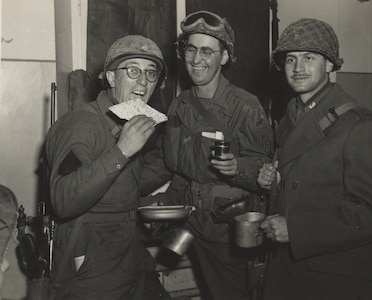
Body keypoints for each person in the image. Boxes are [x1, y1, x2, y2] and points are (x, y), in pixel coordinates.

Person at [141, 10, 274, 300]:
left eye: (207, 51)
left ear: (224, 57)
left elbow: (266, 173)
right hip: (187, 222)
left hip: (224, 230)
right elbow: (167, 161)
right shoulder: (180, 105)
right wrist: (124, 186)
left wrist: (237, 167)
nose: (196, 59)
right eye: (190, 49)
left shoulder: (245, 107)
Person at [257, 18, 372, 299]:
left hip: (332, 280)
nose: (298, 68)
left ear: (330, 65)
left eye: (309, 57)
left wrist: (296, 230)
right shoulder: (290, 119)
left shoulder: (358, 125)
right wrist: (273, 182)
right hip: (291, 270)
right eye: (290, 59)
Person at [45, 35, 171, 300]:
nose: (143, 82)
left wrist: (150, 207)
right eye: (133, 71)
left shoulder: (128, 119)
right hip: (93, 271)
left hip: (130, 258)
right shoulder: (81, 124)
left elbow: (115, 193)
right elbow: (63, 199)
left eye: (151, 74)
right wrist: (122, 150)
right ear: (112, 78)